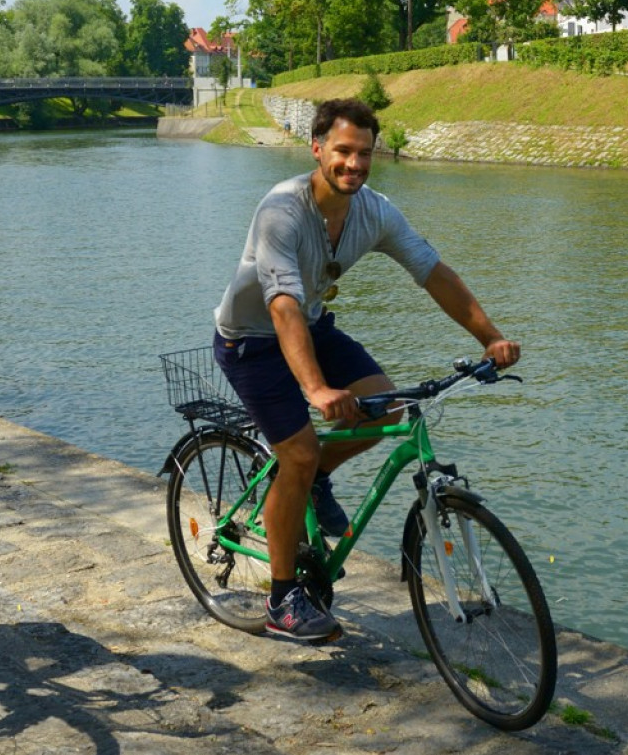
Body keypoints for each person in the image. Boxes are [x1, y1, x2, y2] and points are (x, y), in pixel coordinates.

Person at [212, 97, 520, 643]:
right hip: (252, 342)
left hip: (312, 326)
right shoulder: (281, 210)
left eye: (364, 153)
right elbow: (281, 304)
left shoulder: (374, 211)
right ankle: (284, 600)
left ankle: (313, 483)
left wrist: (490, 336)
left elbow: (433, 272)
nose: (354, 163)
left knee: (391, 408)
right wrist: (315, 388)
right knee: (299, 453)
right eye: (343, 151)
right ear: (317, 149)